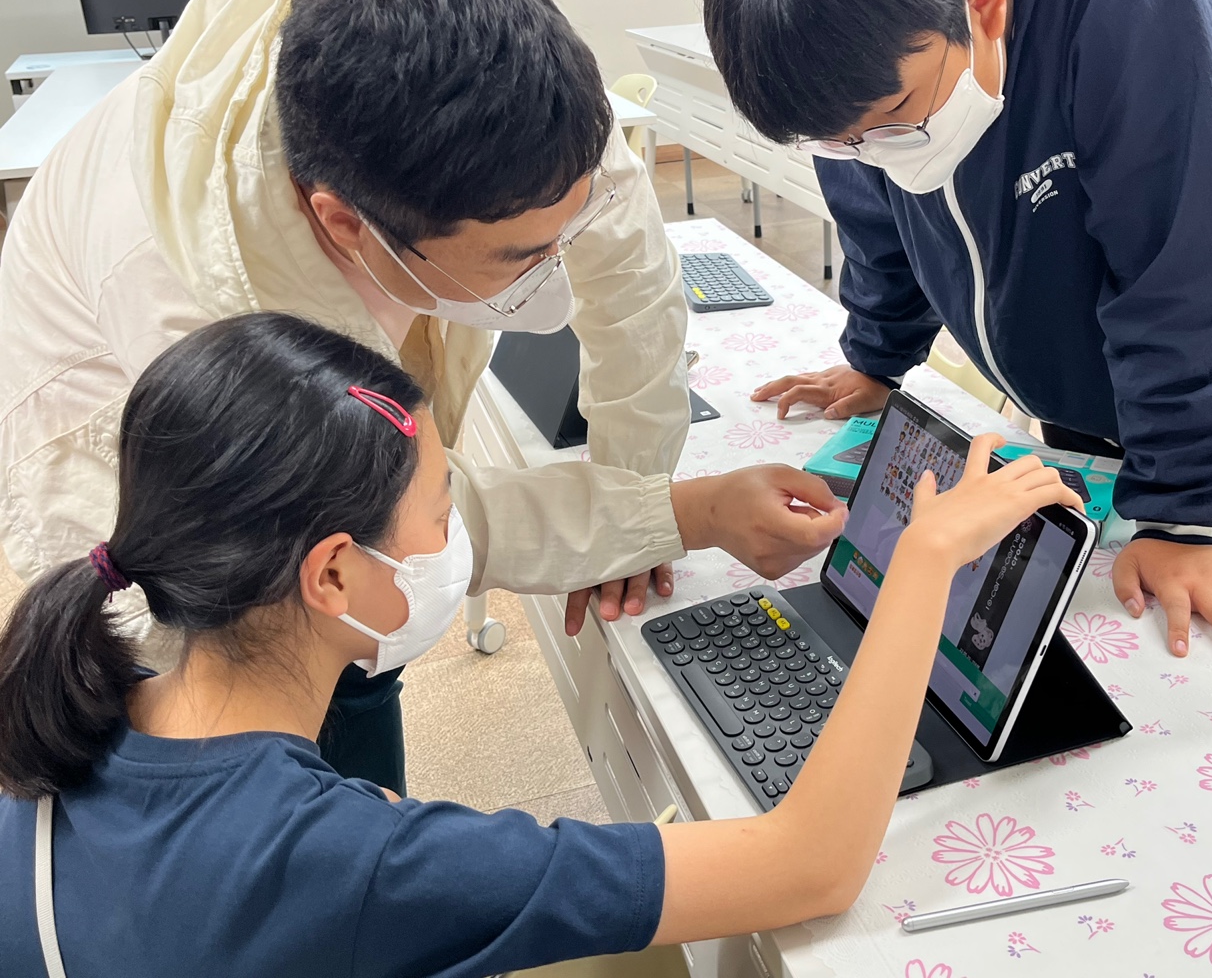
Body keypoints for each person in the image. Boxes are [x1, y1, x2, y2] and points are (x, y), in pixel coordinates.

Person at [0, 0, 843, 792]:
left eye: (568, 228)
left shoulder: (511, 85)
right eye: (522, 256)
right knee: (285, 676)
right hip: (114, 433)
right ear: (345, 224)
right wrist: (684, 514)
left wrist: (639, 503)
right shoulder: (200, 307)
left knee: (376, 619)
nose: (557, 271)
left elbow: (631, 284)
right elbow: (405, 515)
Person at [0, 313, 1081, 977]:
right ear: (331, 575)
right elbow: (813, 866)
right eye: (441, 513)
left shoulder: (67, 721)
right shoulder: (358, 863)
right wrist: (923, 567)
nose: (455, 544)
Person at [702, 0, 1212, 668]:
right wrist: (879, 354)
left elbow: (1193, 267)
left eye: (896, 117)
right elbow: (878, 198)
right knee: (1066, 648)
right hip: (1085, 386)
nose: (873, 151)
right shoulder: (879, 44)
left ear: (984, 4)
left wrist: (1179, 514)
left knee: (1203, 653)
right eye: (842, 142)